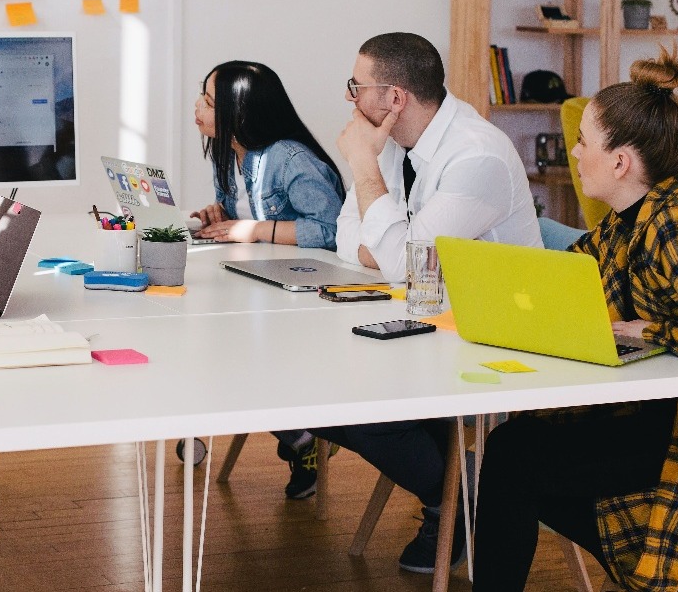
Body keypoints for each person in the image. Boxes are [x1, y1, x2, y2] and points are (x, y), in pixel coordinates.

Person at [471, 48, 678, 591]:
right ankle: (665, 575)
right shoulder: (628, 222)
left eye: (585, 140)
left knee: (514, 459)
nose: (575, 150)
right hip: (663, 410)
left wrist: (651, 332)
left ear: (621, 161)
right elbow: (573, 274)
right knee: (517, 452)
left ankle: (672, 575)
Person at [307, 32, 543, 575]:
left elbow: (406, 264)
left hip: (487, 337)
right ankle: (452, 493)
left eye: (356, 87)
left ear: (394, 97)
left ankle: (458, 504)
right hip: (429, 319)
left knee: (357, 407)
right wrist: (391, 243)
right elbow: (350, 237)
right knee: (320, 394)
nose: (350, 99)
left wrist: (365, 171)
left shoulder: (475, 156)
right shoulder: (396, 145)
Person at [189, 60, 345, 250]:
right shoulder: (226, 151)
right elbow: (246, 214)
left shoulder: (290, 159)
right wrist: (222, 215)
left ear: (240, 114)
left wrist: (255, 230)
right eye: (202, 96)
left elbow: (331, 230)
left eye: (208, 102)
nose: (198, 105)